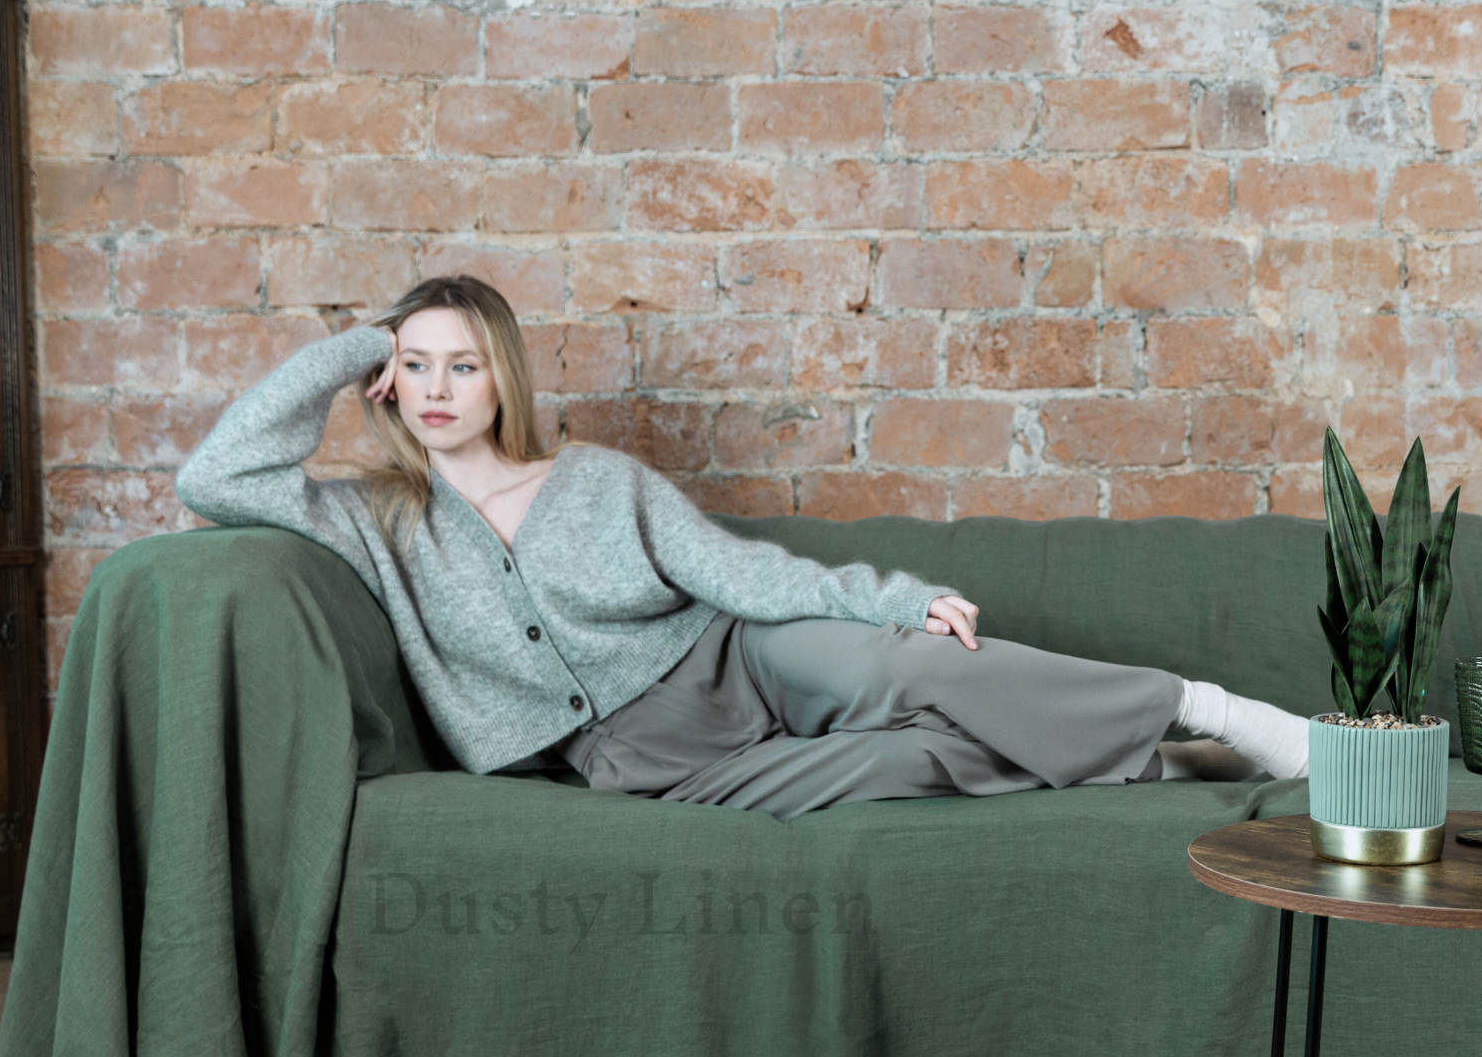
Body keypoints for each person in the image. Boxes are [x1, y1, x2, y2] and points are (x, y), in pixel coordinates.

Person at [175, 274, 1311, 818]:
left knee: (911, 667)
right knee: (906, 766)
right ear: (385, 378)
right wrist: (357, 340)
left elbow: (736, 574)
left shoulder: (595, 479)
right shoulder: (369, 519)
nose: (435, 387)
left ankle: (1213, 712)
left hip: (734, 655)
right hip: (634, 758)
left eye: (461, 363)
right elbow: (215, 476)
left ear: (501, 377)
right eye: (413, 364)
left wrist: (894, 599)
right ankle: (1162, 765)